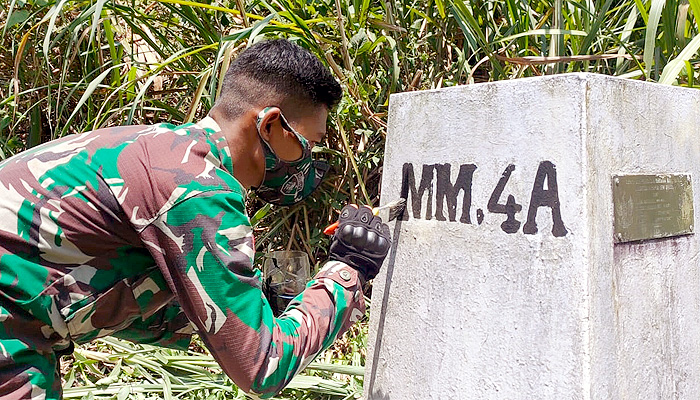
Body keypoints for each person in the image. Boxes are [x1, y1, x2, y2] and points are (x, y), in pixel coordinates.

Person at [0, 39, 391, 399]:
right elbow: (261, 367)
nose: (307, 162)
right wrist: (348, 270)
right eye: (309, 145)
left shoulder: (165, 149)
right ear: (270, 124)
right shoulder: (196, 188)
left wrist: (258, 309)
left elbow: (108, 297)